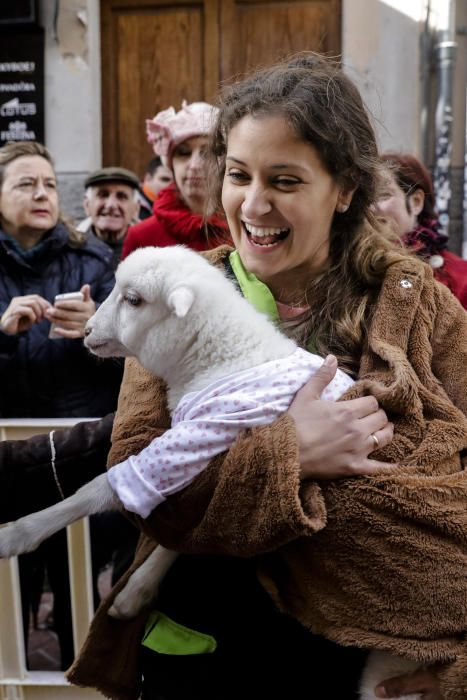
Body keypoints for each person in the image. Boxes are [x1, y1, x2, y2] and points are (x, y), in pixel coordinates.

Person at [1, 56, 462, 699]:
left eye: (285, 180)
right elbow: (145, 474)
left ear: (346, 188)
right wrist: (287, 454)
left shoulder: (419, 306)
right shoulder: (179, 294)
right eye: (239, 175)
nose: (254, 203)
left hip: (355, 663)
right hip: (204, 656)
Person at [0, 140, 123, 671]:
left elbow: (141, 366)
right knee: (9, 593)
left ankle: (80, 677)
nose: (42, 193)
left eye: (49, 183)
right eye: (26, 184)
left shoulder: (92, 260)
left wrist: (101, 331)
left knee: (77, 586)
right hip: (6, 457)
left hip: (75, 452)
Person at [121, 101, 229, 258]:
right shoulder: (142, 236)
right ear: (170, 163)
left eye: (207, 153)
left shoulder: (246, 230)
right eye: (183, 152)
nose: (194, 165)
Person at [376, 151, 467, 308]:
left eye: (383, 195)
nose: (371, 208)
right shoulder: (345, 269)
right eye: (365, 198)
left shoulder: (461, 278)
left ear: (417, 201)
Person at [78, 166, 140, 269]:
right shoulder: (69, 248)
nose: (111, 205)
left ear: (136, 209)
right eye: (103, 195)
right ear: (87, 205)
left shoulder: (151, 250)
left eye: (121, 196)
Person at [137, 155, 173, 220]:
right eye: (165, 179)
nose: (172, 186)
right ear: (148, 179)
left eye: (176, 182)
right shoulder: (132, 207)